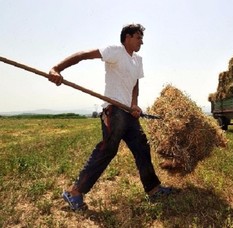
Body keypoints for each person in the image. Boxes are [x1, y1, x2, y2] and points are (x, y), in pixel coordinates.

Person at [48, 23, 172, 211]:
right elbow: (82, 55)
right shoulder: (115, 51)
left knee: (141, 147)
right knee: (108, 150)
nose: (142, 42)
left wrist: (134, 105)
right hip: (113, 110)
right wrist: (56, 68)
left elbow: (135, 85)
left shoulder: (137, 60)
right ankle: (74, 193)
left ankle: (154, 189)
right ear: (127, 37)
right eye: (139, 37)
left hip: (128, 113)